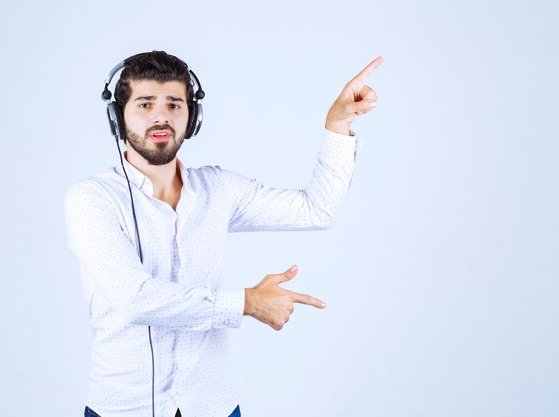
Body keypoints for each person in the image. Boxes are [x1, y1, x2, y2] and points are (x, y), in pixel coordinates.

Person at [64, 50, 382, 417]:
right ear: (118, 118)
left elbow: (318, 209)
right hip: (122, 408)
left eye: (174, 104)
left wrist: (337, 125)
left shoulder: (218, 189)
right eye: (145, 104)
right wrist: (247, 302)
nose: (161, 116)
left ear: (192, 117)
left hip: (213, 405)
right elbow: (135, 299)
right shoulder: (91, 200)